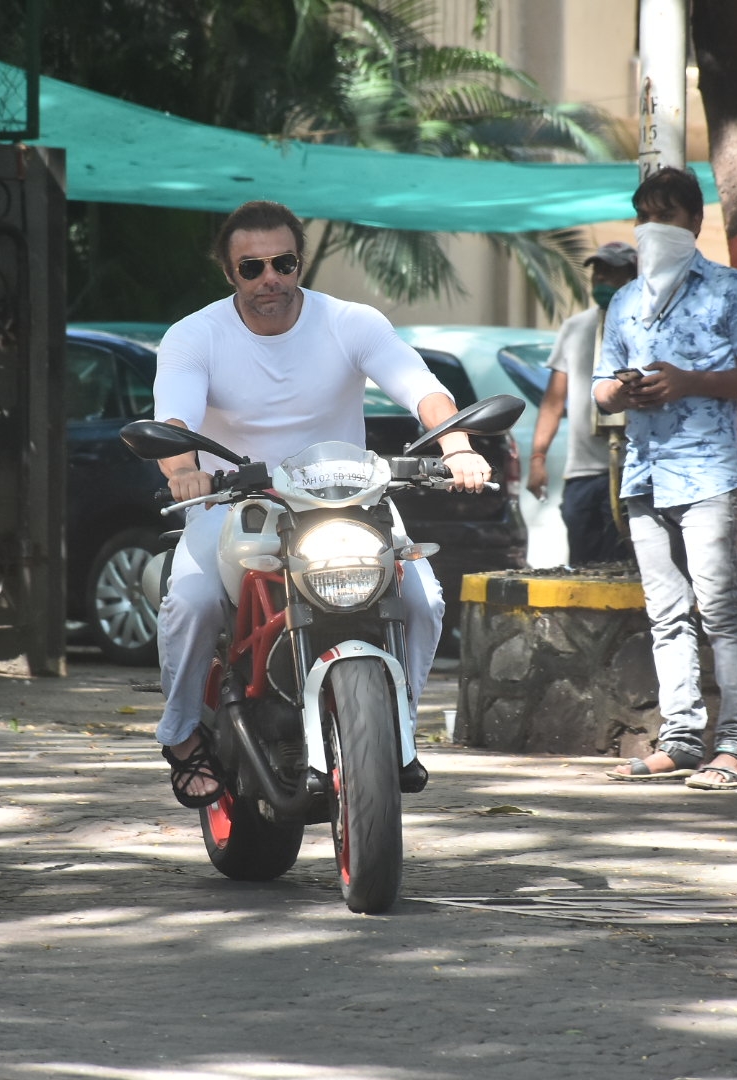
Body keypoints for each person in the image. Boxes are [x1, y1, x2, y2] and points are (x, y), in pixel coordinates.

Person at [150, 199, 491, 808]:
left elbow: (424, 390)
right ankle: (180, 736)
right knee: (193, 602)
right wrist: (183, 473)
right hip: (237, 506)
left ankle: (396, 727)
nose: (269, 279)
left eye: (282, 263)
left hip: (349, 502)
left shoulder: (350, 322)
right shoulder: (193, 335)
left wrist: (458, 446)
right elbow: (173, 419)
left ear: (300, 263)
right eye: (251, 268)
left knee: (424, 599)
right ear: (229, 274)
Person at [595, 167, 737, 792]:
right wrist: (624, 392)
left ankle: (736, 746)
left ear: (695, 223)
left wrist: (691, 380)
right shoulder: (625, 301)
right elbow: (600, 389)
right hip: (644, 475)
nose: (656, 228)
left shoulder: (731, 289)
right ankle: (679, 740)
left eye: (667, 215)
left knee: (721, 609)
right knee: (666, 614)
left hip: (705, 474)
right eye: (646, 216)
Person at [526, 241, 637, 565]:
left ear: (632, 277)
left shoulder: (646, 325)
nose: (602, 279)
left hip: (632, 467)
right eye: (598, 272)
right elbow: (553, 400)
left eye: (612, 273)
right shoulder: (576, 328)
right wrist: (537, 458)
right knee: (584, 561)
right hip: (584, 471)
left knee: (628, 561)